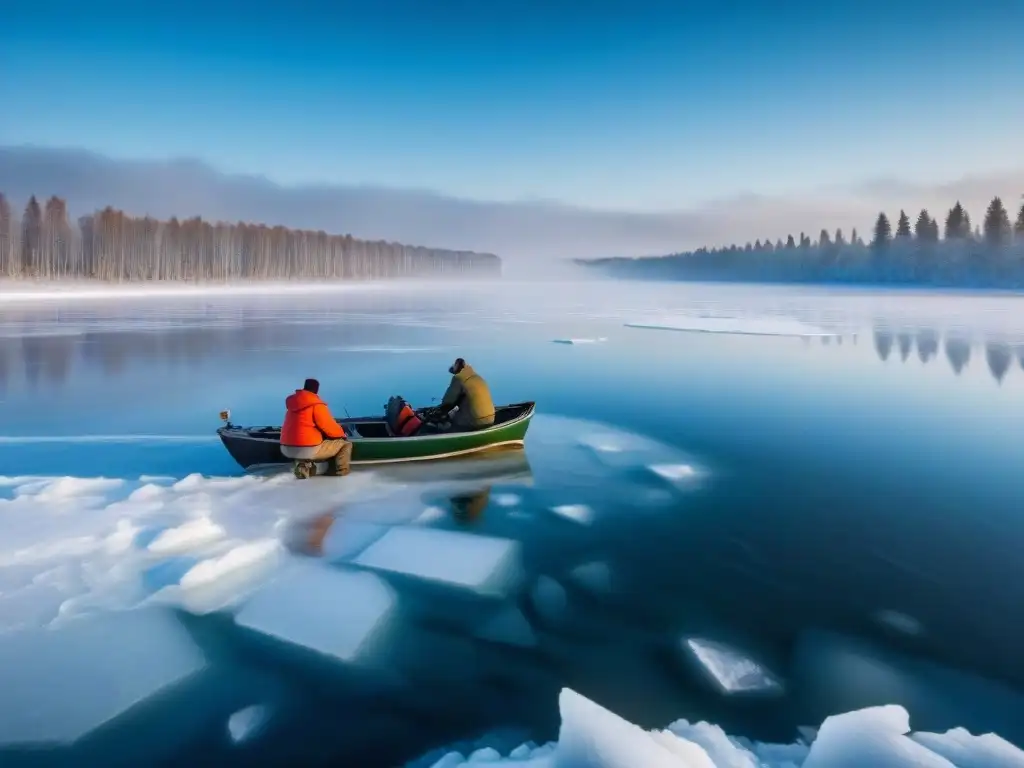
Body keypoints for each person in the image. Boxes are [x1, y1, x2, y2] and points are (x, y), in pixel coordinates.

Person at [279, 378, 352, 478]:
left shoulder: (293, 404)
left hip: (286, 448)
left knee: (307, 442)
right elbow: (329, 427)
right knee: (345, 445)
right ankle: (341, 474)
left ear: (304, 387)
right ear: (316, 390)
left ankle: (303, 468)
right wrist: (342, 434)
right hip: (307, 449)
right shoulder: (316, 404)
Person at [438, 358, 495, 430]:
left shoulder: (458, 378)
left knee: (449, 418)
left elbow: (447, 403)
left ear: (457, 370)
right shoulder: (478, 377)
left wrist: (440, 413)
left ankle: (445, 431)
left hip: (476, 421)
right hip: (491, 418)